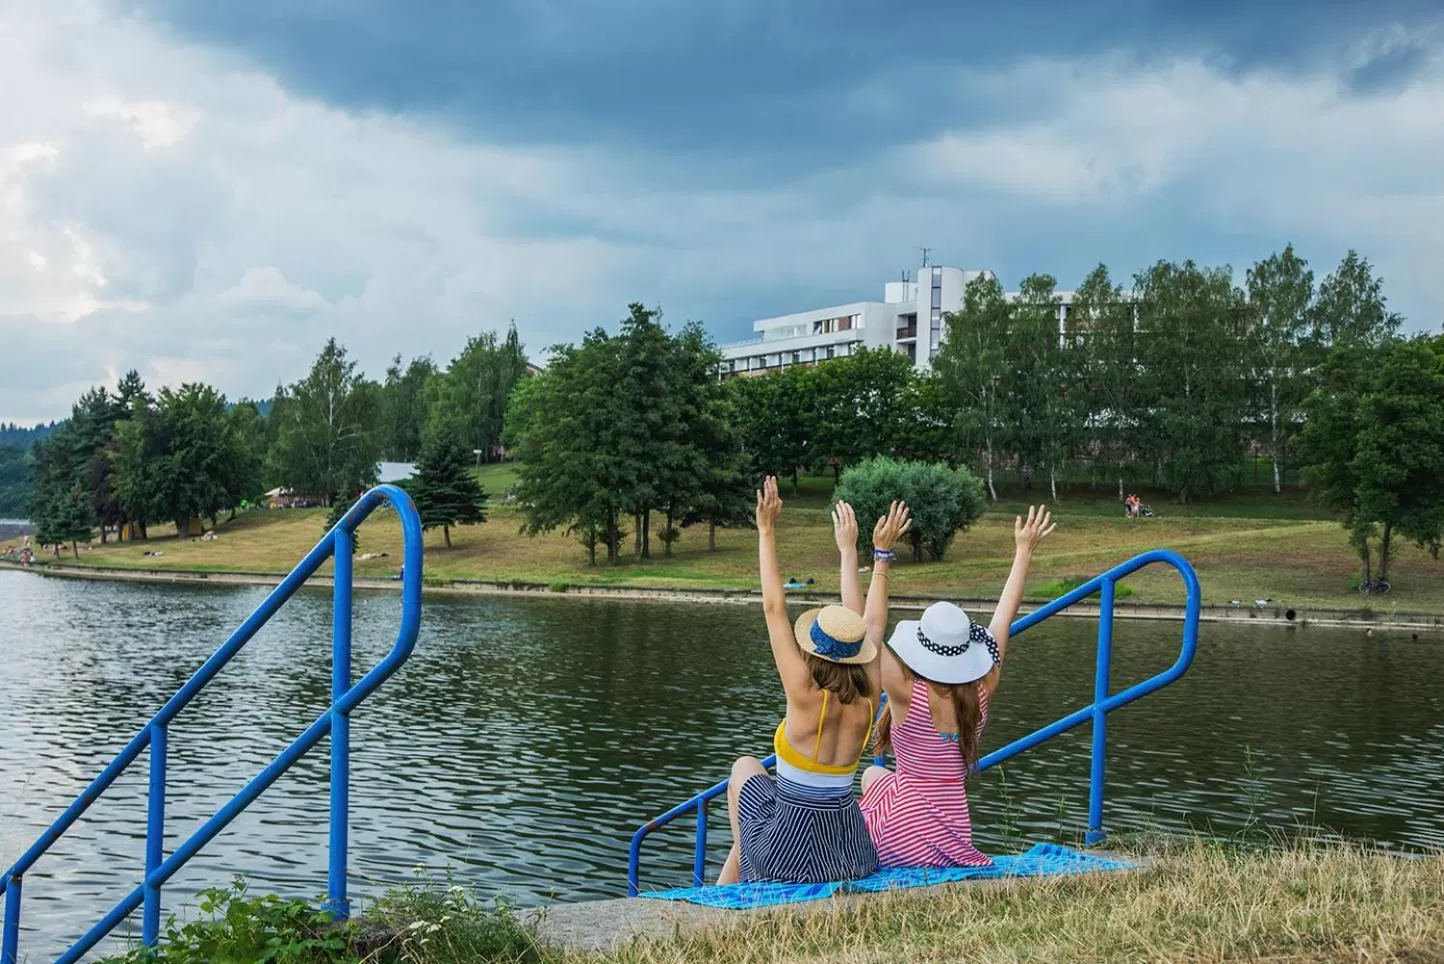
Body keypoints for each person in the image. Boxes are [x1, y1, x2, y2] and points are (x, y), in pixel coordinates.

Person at [718, 477, 911, 885]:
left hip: (785, 853)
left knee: (744, 769)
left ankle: (730, 891)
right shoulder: (868, 697)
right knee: (760, 806)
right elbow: (873, 623)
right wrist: (879, 556)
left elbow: (774, 609)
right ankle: (730, 885)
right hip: (847, 853)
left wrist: (766, 530)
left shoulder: (803, 690)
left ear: (812, 650)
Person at [860, 506, 1057, 868]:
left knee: (872, 773)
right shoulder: (983, 687)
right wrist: (1023, 552)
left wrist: (882, 556)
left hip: (903, 835)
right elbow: (1003, 616)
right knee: (876, 776)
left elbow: (870, 628)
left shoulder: (905, 691)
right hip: (953, 836)